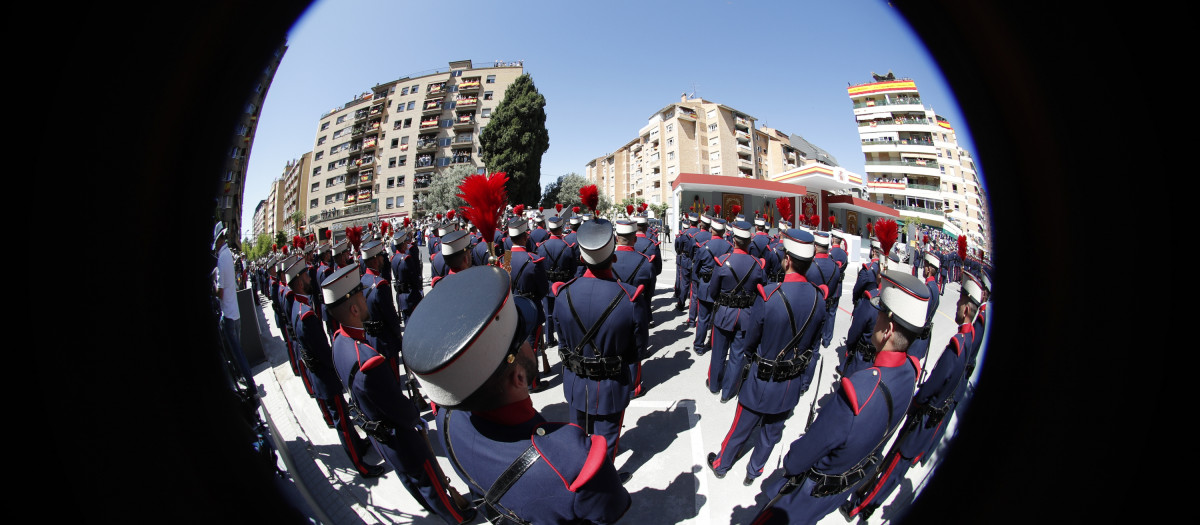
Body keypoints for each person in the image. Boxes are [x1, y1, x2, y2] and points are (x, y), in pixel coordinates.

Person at [404, 266, 631, 524]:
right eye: (522, 338)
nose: (528, 342)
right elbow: (611, 509)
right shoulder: (574, 463)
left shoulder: (446, 421)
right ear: (520, 378)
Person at [749, 271, 929, 525]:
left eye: (879, 314)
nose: (874, 320)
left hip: (811, 491)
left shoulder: (858, 390)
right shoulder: (910, 371)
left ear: (888, 330)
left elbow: (800, 458)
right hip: (844, 484)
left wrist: (791, 460)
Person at [321, 264, 473, 524]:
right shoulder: (369, 362)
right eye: (360, 294)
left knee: (411, 481)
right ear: (354, 309)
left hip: (379, 435)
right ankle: (456, 516)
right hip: (399, 436)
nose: (365, 296)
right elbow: (399, 408)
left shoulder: (339, 342)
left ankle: (438, 510)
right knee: (430, 481)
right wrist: (416, 417)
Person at [840, 270, 984, 520]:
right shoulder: (969, 338)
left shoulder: (957, 344)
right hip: (933, 416)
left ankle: (861, 506)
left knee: (894, 465)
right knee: (894, 464)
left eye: (961, 301)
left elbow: (937, 383)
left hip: (924, 418)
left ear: (966, 309)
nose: (958, 304)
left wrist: (915, 402)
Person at [707, 228, 824, 487]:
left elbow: (750, 341)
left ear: (788, 260)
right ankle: (754, 471)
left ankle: (722, 464)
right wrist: (803, 382)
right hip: (790, 382)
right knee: (772, 433)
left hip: (762, 378)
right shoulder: (819, 298)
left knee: (741, 426)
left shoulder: (769, 295)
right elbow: (814, 348)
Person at [552, 218, 648, 465]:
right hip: (610, 387)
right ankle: (602, 490)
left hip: (575, 384)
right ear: (613, 256)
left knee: (578, 442)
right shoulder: (629, 299)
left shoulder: (563, 294)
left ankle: (581, 483)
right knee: (605, 448)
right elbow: (637, 351)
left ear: (581, 258)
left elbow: (562, 345)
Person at [284, 257, 383, 477]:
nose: (310, 279)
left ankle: (359, 445)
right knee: (343, 424)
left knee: (344, 420)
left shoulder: (297, 306)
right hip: (325, 377)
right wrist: (338, 372)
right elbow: (321, 350)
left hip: (318, 373)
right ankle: (360, 465)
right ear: (300, 283)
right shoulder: (307, 315)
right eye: (306, 277)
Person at [707, 220, 765, 402]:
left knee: (718, 351)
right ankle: (728, 392)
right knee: (738, 355)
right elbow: (760, 291)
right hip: (746, 316)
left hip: (724, 314)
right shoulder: (757, 265)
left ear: (733, 239)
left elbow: (712, 291)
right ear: (749, 242)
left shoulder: (723, 262)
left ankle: (715, 385)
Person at [505, 217, 550, 388]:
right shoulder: (534, 260)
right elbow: (543, 290)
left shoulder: (506, 258)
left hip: (512, 307)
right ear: (525, 237)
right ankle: (532, 382)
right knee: (532, 346)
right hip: (531, 307)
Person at [213, 222, 257, 393]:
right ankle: (244, 379)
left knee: (237, 355)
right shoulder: (227, 256)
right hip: (235, 313)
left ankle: (251, 386)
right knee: (237, 353)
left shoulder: (222, 259)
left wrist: (213, 288)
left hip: (229, 315)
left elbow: (221, 292)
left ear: (218, 241)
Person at [691, 218, 733, 356]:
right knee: (718, 319)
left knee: (703, 318)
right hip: (723, 287)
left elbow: (695, 271)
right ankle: (714, 344)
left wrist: (702, 282)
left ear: (712, 230)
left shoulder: (704, 247)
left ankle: (698, 345)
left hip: (706, 286)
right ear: (723, 231)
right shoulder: (729, 247)